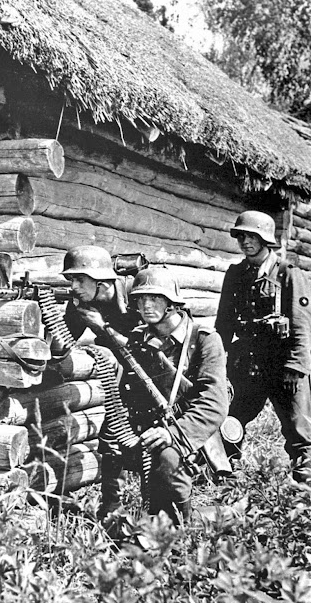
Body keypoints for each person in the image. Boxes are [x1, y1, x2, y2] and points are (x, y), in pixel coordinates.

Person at [120, 266, 229, 523]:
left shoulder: (204, 340)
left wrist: (173, 434)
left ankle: (184, 525)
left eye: (155, 298)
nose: (146, 305)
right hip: (152, 425)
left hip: (194, 429)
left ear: (171, 303)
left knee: (168, 459)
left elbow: (214, 402)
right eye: (141, 299)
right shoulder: (138, 339)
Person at [215, 210, 311, 482]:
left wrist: (296, 365)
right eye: (241, 236)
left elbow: (302, 326)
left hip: (284, 366)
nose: (246, 241)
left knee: (298, 427)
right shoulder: (235, 275)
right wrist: (214, 360)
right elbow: (223, 324)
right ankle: (225, 474)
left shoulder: (289, 275)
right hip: (247, 364)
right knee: (231, 420)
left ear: (266, 239)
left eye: (252, 236)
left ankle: (304, 485)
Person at [61, 245, 140, 517]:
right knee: (113, 436)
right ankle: (112, 510)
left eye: (79, 280)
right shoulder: (82, 303)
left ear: (101, 280)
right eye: (70, 280)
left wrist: (102, 327)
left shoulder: (137, 293)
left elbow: (151, 349)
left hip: (157, 377)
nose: (74, 287)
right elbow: (62, 343)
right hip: (125, 381)